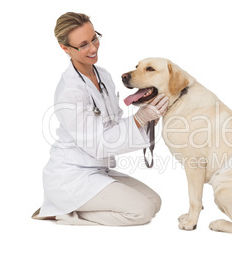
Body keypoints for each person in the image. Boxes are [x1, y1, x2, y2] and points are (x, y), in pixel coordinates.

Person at [32, 12, 168, 225]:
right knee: (141, 212)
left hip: (97, 170)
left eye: (94, 38)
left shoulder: (102, 75)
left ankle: (69, 207)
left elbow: (112, 127)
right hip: (71, 177)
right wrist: (139, 119)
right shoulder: (70, 91)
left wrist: (149, 119)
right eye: (83, 44)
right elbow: (97, 145)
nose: (93, 48)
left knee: (154, 202)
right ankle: (63, 211)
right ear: (65, 48)